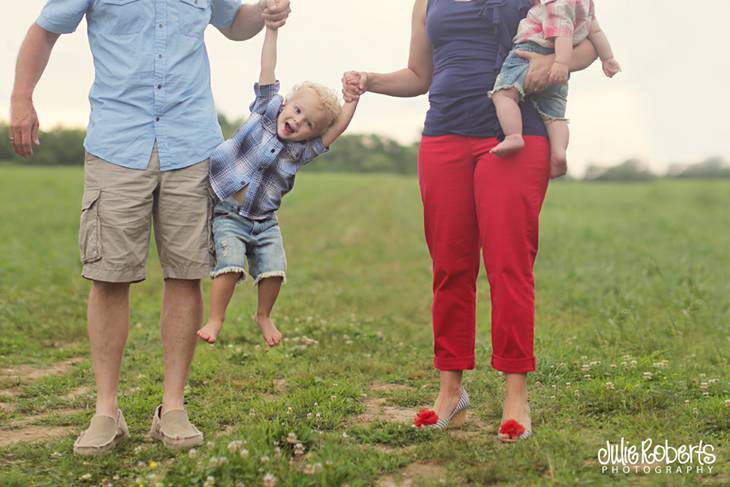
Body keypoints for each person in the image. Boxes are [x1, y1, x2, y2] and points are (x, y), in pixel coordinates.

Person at [9, 0, 291, 455]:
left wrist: (265, 11)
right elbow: (43, 30)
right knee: (108, 276)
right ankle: (106, 412)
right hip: (117, 142)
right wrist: (22, 98)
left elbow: (235, 25)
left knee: (186, 273)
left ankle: (173, 408)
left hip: (193, 145)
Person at [343, 0, 596, 441]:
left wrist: (554, 61)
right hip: (444, 133)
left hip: (516, 134)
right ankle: (450, 394)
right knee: (450, 267)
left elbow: (589, 39)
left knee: (509, 265)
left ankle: (516, 397)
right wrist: (371, 81)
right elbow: (419, 75)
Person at [196, 26, 359, 346]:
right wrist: (271, 30)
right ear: (285, 103)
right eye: (297, 110)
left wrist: (352, 99)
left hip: (265, 222)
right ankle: (216, 319)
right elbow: (267, 67)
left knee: (274, 270)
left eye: (308, 123)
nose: (298, 121)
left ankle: (264, 315)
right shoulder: (266, 109)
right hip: (229, 214)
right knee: (229, 264)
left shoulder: (301, 151)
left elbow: (336, 130)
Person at [489, 0, 621, 178]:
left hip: (533, 52)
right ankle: (559, 152)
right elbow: (595, 31)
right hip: (559, 64)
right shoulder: (585, 4)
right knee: (554, 117)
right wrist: (608, 58)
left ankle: (513, 136)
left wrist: (561, 62)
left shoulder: (555, 3)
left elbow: (561, 31)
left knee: (504, 95)